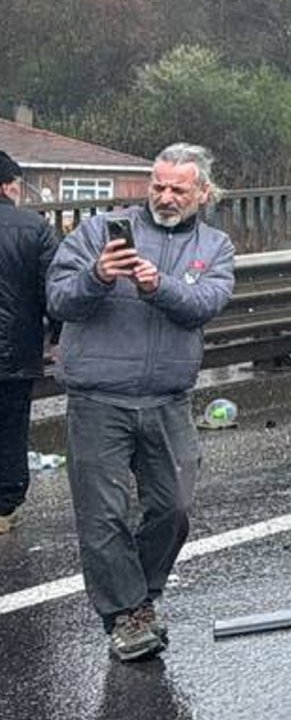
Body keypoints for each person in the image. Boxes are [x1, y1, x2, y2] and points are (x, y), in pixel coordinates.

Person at [47, 143, 236, 661]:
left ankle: (143, 596)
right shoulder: (96, 232)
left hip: (167, 398)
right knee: (103, 517)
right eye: (158, 185)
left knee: (173, 508)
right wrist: (98, 276)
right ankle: (126, 616)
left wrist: (158, 286)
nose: (166, 196)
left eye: (178, 188)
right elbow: (58, 299)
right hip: (98, 396)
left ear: (203, 193)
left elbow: (206, 304)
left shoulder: (215, 246)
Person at [1, 150, 61, 537]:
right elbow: (53, 290)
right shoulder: (34, 227)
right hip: (15, 350)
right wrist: (59, 335)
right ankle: (4, 508)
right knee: (10, 427)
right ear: (8, 186)